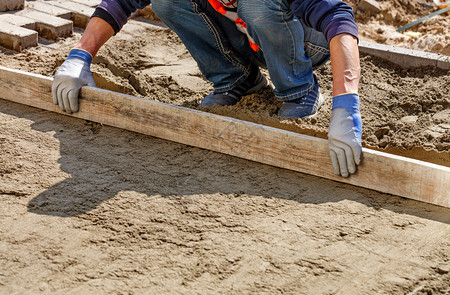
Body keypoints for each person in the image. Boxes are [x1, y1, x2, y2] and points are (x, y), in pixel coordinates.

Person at [52, 0, 362, 177]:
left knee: (257, 4)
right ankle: (238, 80)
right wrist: (80, 55)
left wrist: (346, 104)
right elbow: (120, 3)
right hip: (249, 34)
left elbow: (339, 18)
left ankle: (299, 89)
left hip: (305, 40)